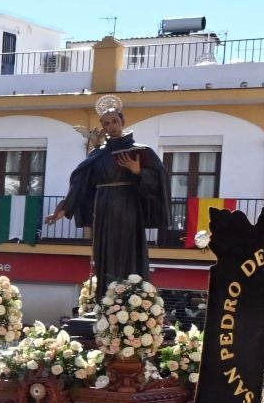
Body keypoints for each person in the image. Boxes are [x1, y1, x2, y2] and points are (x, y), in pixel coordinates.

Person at [46, 101, 171, 286]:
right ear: (103, 127)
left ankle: (129, 293)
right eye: (106, 123)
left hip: (129, 207)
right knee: (105, 251)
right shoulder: (98, 155)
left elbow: (160, 181)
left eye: (114, 121)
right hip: (103, 208)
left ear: (122, 122)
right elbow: (81, 184)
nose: (111, 126)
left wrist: (138, 171)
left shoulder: (141, 151)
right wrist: (64, 208)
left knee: (128, 249)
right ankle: (105, 296)